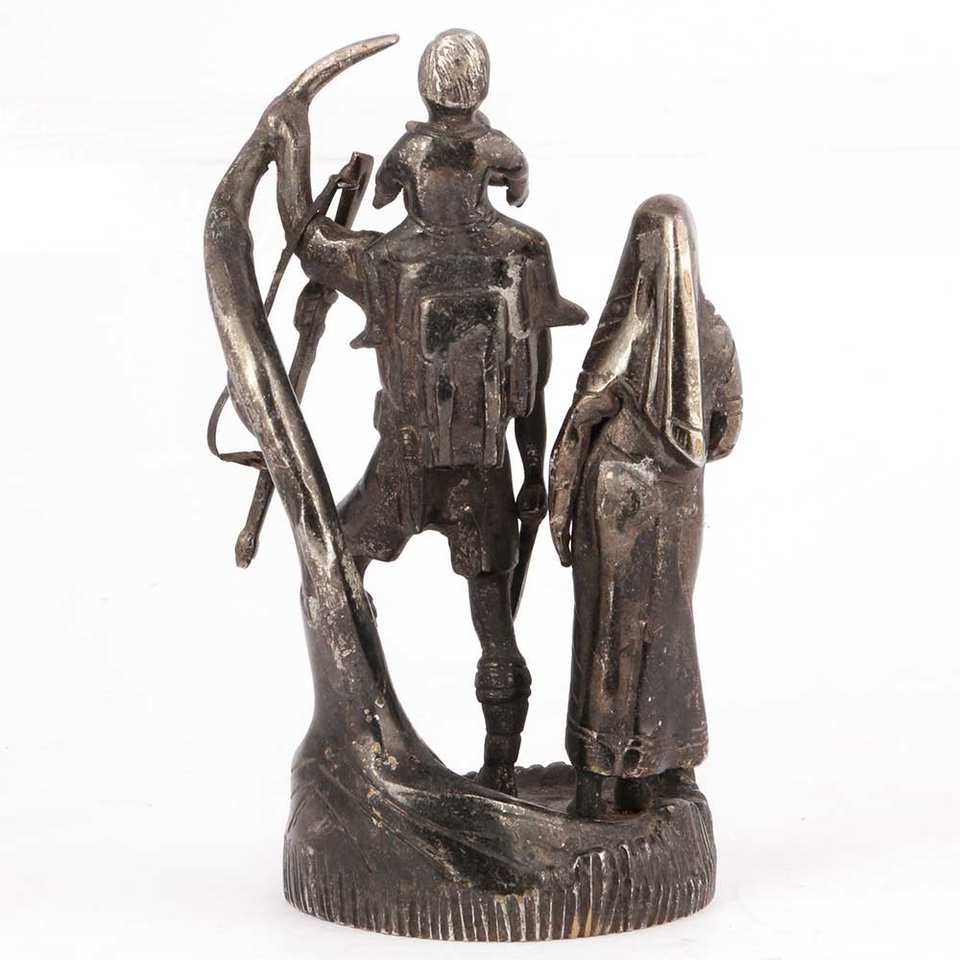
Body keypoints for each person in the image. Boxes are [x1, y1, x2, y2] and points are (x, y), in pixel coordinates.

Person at [288, 29, 586, 795]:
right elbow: (534, 387)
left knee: (336, 565)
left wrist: (287, 148)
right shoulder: (522, 254)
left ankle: (369, 725)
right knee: (494, 624)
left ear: (410, 172)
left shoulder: (385, 260)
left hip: (405, 463)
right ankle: (493, 772)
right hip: (482, 469)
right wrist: (532, 474)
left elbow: (306, 238)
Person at [549, 195, 742, 817]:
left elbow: (581, 420)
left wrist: (559, 505)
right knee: (661, 623)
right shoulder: (713, 334)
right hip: (673, 500)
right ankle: (659, 764)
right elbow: (725, 431)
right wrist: (683, 456)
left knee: (614, 626)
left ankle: (604, 774)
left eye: (645, 246)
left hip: (617, 493)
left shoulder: (629, 333)